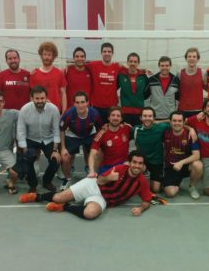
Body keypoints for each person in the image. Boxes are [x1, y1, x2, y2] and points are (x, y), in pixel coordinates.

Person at [18, 150, 152, 220]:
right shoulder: (119, 169)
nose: (137, 165)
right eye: (134, 162)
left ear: (143, 165)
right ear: (130, 162)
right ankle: (37, 197)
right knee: (58, 197)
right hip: (93, 185)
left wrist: (140, 209)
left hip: (102, 199)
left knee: (90, 214)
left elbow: (147, 201)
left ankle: (65, 207)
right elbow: (99, 180)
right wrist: (109, 178)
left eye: (140, 163)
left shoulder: (141, 182)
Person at [16, 85, 61, 192]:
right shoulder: (24, 110)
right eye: (37, 98)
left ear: (46, 98)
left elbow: (56, 130)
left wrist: (55, 150)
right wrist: (24, 148)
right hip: (31, 139)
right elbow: (21, 130)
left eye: (42, 98)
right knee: (27, 159)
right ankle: (32, 184)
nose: (40, 101)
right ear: (32, 98)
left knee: (57, 160)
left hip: (48, 139)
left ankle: (47, 181)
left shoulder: (54, 109)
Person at [60, 91, 103, 190]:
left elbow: (101, 129)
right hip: (73, 135)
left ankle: (91, 172)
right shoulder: (68, 114)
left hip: (89, 135)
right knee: (65, 157)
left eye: (83, 102)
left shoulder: (94, 113)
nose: (80, 105)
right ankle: (67, 178)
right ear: (74, 103)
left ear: (87, 102)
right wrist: (62, 148)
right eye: (77, 102)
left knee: (99, 153)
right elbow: (62, 130)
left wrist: (98, 145)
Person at [163, 111, 203, 199]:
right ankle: (175, 182)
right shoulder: (165, 132)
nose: (177, 123)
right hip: (171, 166)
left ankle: (192, 187)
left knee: (198, 165)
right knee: (170, 193)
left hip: (186, 165)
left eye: (179, 121)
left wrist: (181, 162)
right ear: (170, 122)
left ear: (184, 122)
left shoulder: (191, 134)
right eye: (174, 121)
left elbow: (197, 155)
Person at [131, 107, 170, 193]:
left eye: (150, 116)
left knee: (155, 189)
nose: (147, 118)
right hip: (142, 161)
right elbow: (122, 128)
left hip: (157, 161)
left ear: (154, 118)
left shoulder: (161, 127)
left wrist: (191, 129)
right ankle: (140, 179)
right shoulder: (135, 129)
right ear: (141, 118)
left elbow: (175, 122)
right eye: (145, 116)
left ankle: (161, 180)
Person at [87, 107, 131, 177]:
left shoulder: (127, 128)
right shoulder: (102, 133)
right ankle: (96, 175)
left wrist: (154, 121)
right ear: (108, 118)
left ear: (121, 119)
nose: (115, 118)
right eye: (113, 115)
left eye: (118, 116)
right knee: (105, 181)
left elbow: (142, 128)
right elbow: (92, 153)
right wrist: (92, 171)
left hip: (123, 164)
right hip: (107, 166)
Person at [86, 42, 122, 121]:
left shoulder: (117, 67)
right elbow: (80, 64)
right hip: (96, 106)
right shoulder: (93, 65)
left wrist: (144, 70)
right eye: (104, 51)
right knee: (98, 130)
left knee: (110, 130)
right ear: (101, 53)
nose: (107, 53)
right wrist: (68, 67)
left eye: (109, 51)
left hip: (112, 106)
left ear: (112, 53)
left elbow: (129, 69)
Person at [30, 41, 67, 113]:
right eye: (44, 54)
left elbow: (63, 94)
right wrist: (33, 112)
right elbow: (31, 96)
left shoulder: (59, 73)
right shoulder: (34, 74)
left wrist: (64, 112)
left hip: (56, 111)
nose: (46, 57)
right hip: (39, 111)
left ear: (53, 56)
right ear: (41, 55)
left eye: (49, 55)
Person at [117, 52, 149, 126]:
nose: (133, 63)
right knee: (126, 134)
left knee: (137, 133)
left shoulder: (143, 76)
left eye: (135, 62)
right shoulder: (121, 75)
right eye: (131, 61)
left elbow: (148, 91)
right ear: (127, 62)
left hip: (139, 112)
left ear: (138, 63)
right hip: (125, 112)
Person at [146, 56, 180, 121]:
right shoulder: (152, 80)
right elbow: (145, 95)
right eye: (162, 65)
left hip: (170, 117)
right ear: (159, 66)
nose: (164, 68)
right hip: (155, 117)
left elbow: (178, 97)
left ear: (170, 66)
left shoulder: (175, 80)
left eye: (167, 65)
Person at [178, 47, 207, 117]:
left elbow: (208, 89)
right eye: (189, 56)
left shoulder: (203, 73)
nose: (192, 58)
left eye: (194, 56)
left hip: (198, 110)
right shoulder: (179, 73)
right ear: (186, 58)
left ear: (198, 59)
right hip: (183, 109)